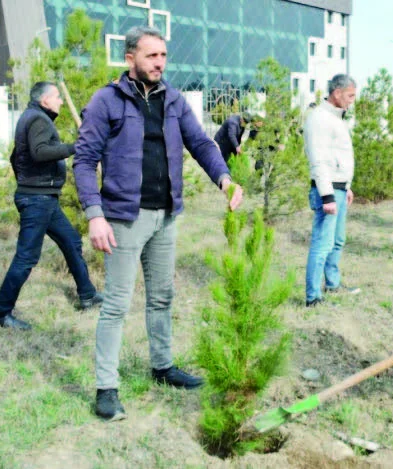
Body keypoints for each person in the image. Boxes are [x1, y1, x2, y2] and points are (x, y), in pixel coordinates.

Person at [73, 26, 244, 422]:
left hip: (166, 217)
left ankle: (163, 366)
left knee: (162, 297)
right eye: (152, 56)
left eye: (163, 56)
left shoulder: (173, 99)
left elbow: (201, 143)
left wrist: (224, 178)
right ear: (130, 58)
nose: (160, 63)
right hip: (123, 218)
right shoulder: (107, 101)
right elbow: (83, 161)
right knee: (116, 305)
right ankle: (106, 388)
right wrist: (95, 215)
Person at [0, 82, 103, 331]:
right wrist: (77, 147)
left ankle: (87, 295)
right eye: (57, 97)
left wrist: (26, 182)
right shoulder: (38, 120)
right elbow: (40, 153)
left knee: (71, 241)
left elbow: (15, 156)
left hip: (42, 198)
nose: (61, 101)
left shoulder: (30, 117)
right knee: (26, 257)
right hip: (37, 200)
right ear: (45, 100)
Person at [304, 74, 359, 307]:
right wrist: (327, 195)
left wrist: (345, 187)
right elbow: (319, 160)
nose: (352, 101)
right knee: (323, 243)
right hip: (327, 191)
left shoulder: (336, 118)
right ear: (336, 93)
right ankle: (313, 297)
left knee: (337, 241)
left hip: (338, 189)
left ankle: (333, 283)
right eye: (350, 96)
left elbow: (339, 156)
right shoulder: (319, 118)